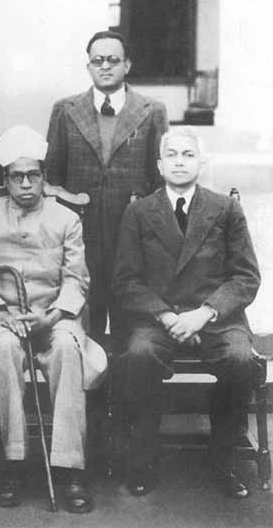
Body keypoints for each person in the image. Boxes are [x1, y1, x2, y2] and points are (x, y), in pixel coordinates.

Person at [0, 126, 105, 513]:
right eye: (17, 176)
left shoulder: (66, 218)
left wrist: (53, 315)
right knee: (4, 350)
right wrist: (2, 313)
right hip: (2, 319)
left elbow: (78, 279)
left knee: (66, 350)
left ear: (44, 177)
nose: (26, 184)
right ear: (5, 179)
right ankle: (14, 462)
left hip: (55, 316)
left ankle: (70, 468)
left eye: (33, 175)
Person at [113, 127, 262, 499]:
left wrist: (205, 313)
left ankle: (223, 458)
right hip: (159, 318)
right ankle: (143, 458)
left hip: (215, 318)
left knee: (241, 359)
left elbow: (246, 277)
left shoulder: (225, 209)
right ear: (160, 164)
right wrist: (165, 316)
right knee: (139, 355)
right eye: (173, 155)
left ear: (201, 163)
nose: (180, 162)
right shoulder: (139, 211)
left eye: (188, 155)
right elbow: (126, 281)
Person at [45, 30, 168, 341]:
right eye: (97, 60)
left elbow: (160, 178)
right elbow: (53, 177)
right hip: (81, 233)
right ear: (88, 67)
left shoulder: (151, 111)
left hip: (132, 231)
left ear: (127, 65)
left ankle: (128, 384)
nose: (105, 66)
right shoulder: (65, 109)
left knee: (132, 321)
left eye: (113, 60)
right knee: (86, 322)